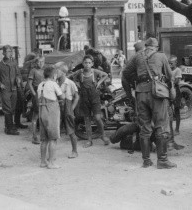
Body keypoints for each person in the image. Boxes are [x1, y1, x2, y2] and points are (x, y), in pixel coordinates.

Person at [122, 37, 176, 169]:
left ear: (145, 46)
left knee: (144, 128)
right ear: (156, 47)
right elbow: (170, 76)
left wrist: (139, 81)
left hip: (141, 93)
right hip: (156, 93)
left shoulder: (137, 57)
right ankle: (162, 160)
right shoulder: (161, 56)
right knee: (161, 126)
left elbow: (125, 73)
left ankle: (146, 161)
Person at [73, 55, 110, 148]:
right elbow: (73, 77)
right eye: (85, 62)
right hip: (84, 98)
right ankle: (89, 140)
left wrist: (100, 82)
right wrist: (77, 84)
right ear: (83, 63)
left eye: (89, 63)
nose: (87, 65)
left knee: (97, 118)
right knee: (87, 119)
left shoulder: (95, 72)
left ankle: (103, 135)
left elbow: (106, 75)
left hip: (94, 97)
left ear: (92, 64)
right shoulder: (80, 72)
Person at [0, 45, 23, 135]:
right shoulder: (0, 64)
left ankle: (9, 127)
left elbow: (18, 74)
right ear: (3, 53)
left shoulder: (14, 62)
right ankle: (10, 128)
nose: (9, 53)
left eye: (10, 51)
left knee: (12, 108)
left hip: (14, 88)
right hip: (5, 90)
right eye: (7, 51)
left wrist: (18, 78)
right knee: (7, 109)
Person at [37, 66, 64, 169]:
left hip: (42, 110)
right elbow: (61, 97)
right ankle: (51, 163)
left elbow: (38, 98)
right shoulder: (53, 84)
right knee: (53, 138)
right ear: (54, 75)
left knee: (44, 139)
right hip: (51, 110)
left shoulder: (40, 85)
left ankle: (43, 162)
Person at [55, 63, 79, 158]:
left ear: (64, 72)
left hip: (67, 106)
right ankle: (52, 152)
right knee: (55, 131)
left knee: (71, 131)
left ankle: (75, 151)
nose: (56, 72)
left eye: (58, 70)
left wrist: (71, 108)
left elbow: (77, 97)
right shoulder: (54, 82)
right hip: (57, 107)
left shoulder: (70, 83)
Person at [168, 56, 184, 151]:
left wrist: (171, 80)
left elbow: (177, 81)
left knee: (177, 110)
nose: (170, 65)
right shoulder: (170, 70)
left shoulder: (177, 70)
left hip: (176, 90)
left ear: (175, 63)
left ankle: (177, 129)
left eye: (172, 63)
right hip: (170, 89)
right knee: (170, 110)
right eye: (169, 63)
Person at [28, 56, 45, 144]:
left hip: (44, 92)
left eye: (42, 62)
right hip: (36, 92)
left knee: (43, 115)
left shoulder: (44, 70)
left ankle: (43, 135)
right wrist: (34, 94)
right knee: (36, 115)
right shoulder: (33, 71)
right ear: (35, 63)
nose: (40, 64)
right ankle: (34, 136)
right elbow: (29, 84)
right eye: (38, 62)